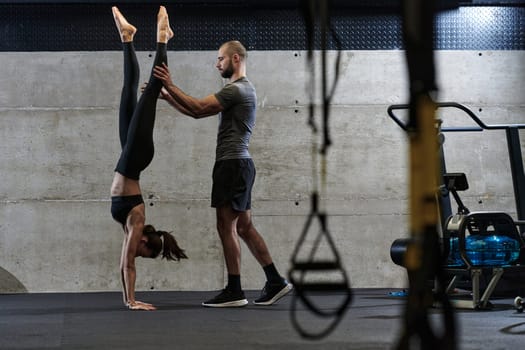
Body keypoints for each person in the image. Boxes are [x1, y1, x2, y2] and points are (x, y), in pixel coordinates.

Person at [153, 40, 292, 307]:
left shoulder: (236, 90)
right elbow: (195, 113)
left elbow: (198, 107)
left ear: (236, 59)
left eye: (221, 59)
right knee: (244, 227)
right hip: (239, 166)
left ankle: (235, 290)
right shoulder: (241, 90)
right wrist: (170, 98)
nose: (217, 63)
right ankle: (275, 281)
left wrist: (170, 85)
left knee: (225, 226)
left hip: (232, 166)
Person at [110, 6, 187, 311]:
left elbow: (125, 259)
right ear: (145, 243)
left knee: (128, 91)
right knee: (151, 91)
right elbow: (127, 263)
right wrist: (131, 301)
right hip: (136, 157)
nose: (135, 249)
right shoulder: (137, 222)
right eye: (142, 251)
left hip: (128, 157)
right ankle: (163, 39)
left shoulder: (132, 227)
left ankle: (127, 38)